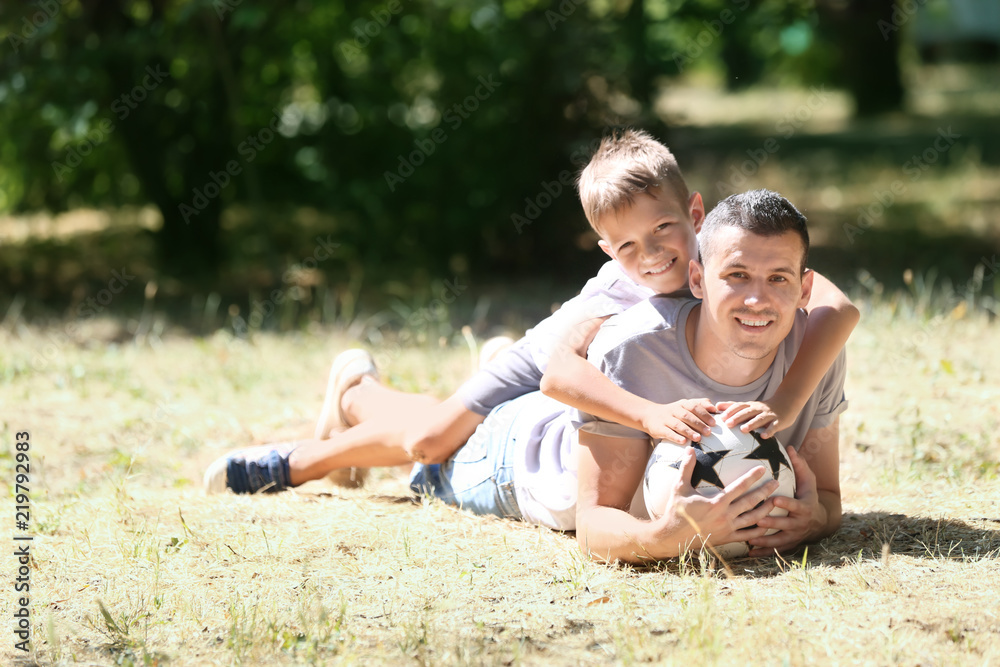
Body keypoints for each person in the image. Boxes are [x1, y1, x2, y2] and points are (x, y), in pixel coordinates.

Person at [204, 130, 857, 515]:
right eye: (628, 245)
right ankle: (311, 447)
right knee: (435, 440)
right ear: (608, 252)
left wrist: (784, 400)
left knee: (458, 432)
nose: (653, 255)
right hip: (549, 357)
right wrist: (648, 417)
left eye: (664, 229)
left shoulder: (729, 262)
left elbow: (838, 306)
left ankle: (370, 393)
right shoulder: (616, 299)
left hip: (577, 378)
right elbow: (560, 375)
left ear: (694, 210)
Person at [574, 189, 847, 560]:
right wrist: (663, 539)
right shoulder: (630, 352)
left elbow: (829, 499)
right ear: (698, 280)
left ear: (805, 289)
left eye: (779, 279)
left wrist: (814, 520)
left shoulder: (817, 352)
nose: (757, 300)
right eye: (738, 275)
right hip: (518, 462)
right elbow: (590, 524)